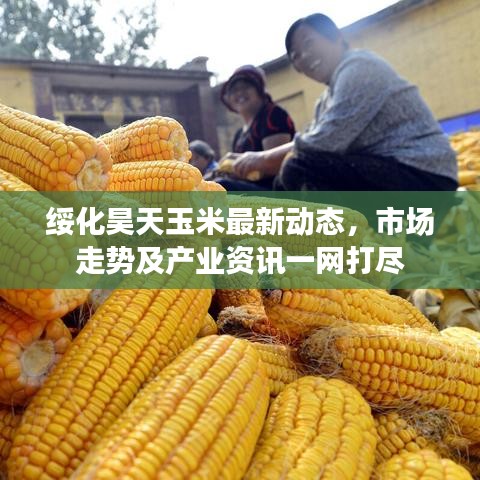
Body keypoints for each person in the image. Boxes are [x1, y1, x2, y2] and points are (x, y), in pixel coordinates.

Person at [231, 14, 458, 192]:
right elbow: (311, 139)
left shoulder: (360, 67)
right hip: (391, 171)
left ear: (337, 37)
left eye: (309, 43)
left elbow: (322, 143)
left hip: (425, 174)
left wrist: (260, 159)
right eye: (295, 56)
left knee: (299, 167)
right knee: (284, 180)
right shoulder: (325, 100)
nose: (305, 57)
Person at [213, 65, 296, 190]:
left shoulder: (273, 115)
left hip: (277, 190)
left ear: (260, 90)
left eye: (246, 87)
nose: (239, 93)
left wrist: (233, 170)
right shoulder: (239, 134)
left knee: (221, 187)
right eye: (234, 90)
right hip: (251, 189)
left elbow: (275, 165)